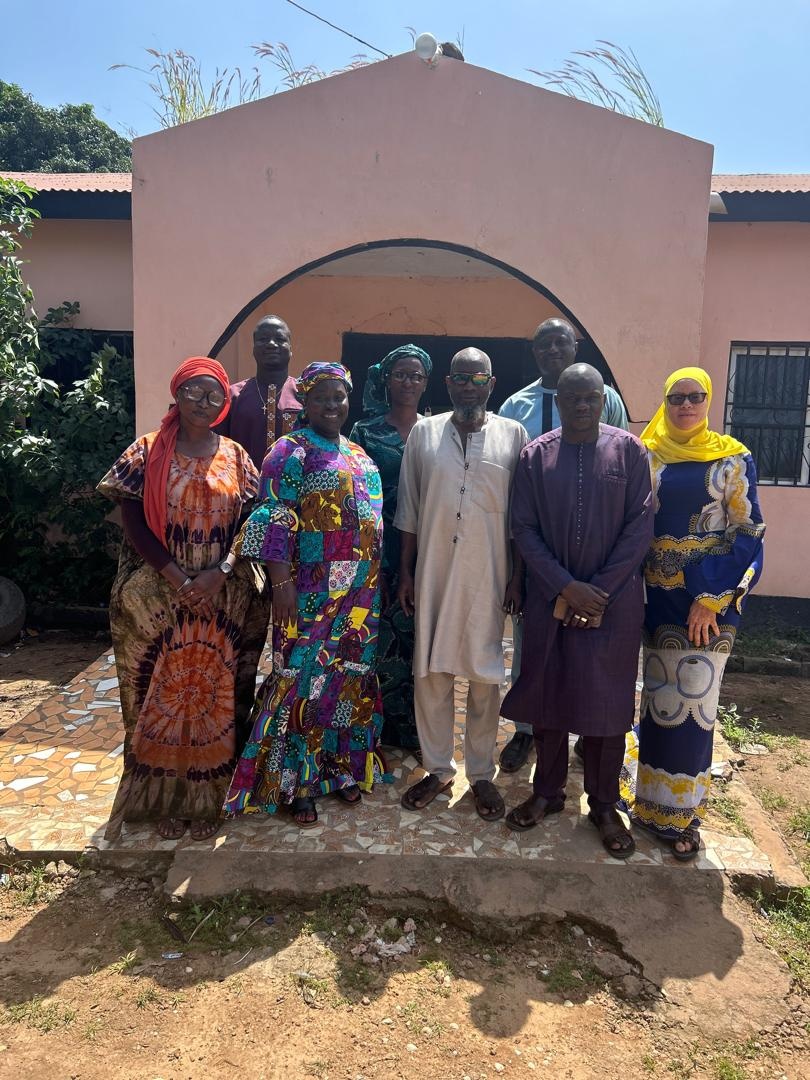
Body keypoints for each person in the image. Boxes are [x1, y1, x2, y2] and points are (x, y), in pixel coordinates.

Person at [97, 357, 265, 841]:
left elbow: (252, 518)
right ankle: (163, 799)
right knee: (161, 696)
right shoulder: (148, 450)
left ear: (223, 404)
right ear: (177, 395)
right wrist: (176, 577)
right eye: (193, 392)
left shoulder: (235, 456)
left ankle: (209, 798)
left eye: (214, 395)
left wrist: (222, 571)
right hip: (159, 596)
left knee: (218, 694)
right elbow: (132, 520)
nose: (203, 402)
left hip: (223, 596)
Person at [223, 362, 388, 827]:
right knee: (300, 681)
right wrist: (281, 584)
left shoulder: (358, 454)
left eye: (339, 397)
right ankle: (296, 782)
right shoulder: (289, 451)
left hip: (359, 595)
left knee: (345, 679)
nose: (331, 406)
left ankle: (338, 769)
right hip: (308, 591)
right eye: (321, 398)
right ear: (306, 402)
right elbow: (274, 517)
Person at [501, 363, 653, 859]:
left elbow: (639, 528)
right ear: (559, 400)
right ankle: (546, 792)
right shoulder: (534, 456)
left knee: (607, 706)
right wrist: (566, 587)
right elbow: (523, 528)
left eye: (591, 396)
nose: (582, 405)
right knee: (550, 696)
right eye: (572, 397)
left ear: (603, 398)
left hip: (615, 602)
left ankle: (604, 805)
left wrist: (598, 592)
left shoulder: (629, 452)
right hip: (554, 600)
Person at [619, 367, 765, 860]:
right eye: (677, 397)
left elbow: (749, 533)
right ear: (666, 401)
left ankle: (683, 814)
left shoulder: (732, 458)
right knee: (658, 701)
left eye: (695, 396)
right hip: (656, 601)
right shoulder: (648, 452)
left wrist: (709, 596)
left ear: (708, 401)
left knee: (695, 706)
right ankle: (648, 802)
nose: (686, 404)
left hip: (709, 605)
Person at [396, 348, 526, 821]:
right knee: (430, 672)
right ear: (447, 385)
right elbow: (408, 510)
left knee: (485, 677)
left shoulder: (513, 435)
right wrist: (407, 572)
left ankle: (482, 773)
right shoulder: (424, 435)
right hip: (433, 570)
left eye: (478, 377)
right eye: (459, 378)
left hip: (489, 575)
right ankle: (437, 768)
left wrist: (518, 576)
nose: (468, 385)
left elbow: (520, 518)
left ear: (492, 384)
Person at [497, 317, 630, 772]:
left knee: (591, 660)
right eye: (544, 344)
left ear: (575, 347)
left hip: (599, 552)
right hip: (541, 554)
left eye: (562, 342)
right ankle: (526, 730)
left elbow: (615, 460)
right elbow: (517, 493)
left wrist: (598, 580)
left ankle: (585, 731)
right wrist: (532, 571)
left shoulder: (609, 405)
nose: (553, 350)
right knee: (535, 649)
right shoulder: (517, 405)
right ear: (534, 352)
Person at [350, 344, 432, 753]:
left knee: (419, 638)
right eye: (401, 373)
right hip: (377, 550)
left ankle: (414, 729)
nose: (408, 382)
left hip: (425, 550)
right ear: (386, 379)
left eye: (416, 375)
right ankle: (376, 727)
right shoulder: (365, 431)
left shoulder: (435, 430)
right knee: (378, 638)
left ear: (426, 382)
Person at [215, 314, 300, 470]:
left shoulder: (304, 395)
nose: (271, 344)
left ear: (291, 349)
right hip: (243, 490)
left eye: (280, 339)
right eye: (263, 339)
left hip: (294, 491)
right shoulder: (232, 396)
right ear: (253, 349)